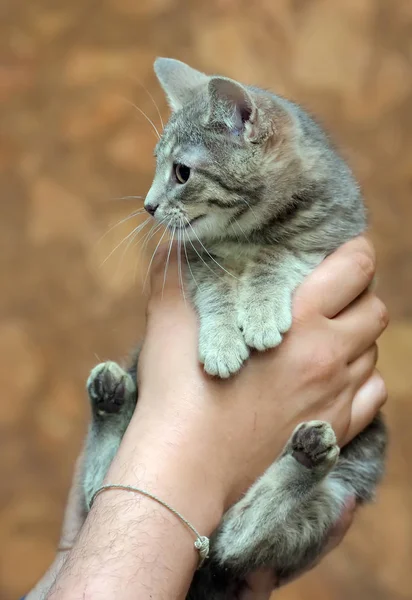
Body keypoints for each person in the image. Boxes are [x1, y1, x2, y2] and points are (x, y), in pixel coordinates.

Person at [26, 236, 388, 600]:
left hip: (137, 553)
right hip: (228, 541)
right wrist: (192, 454)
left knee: (103, 492)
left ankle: (113, 426)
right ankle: (287, 485)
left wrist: (71, 554)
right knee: (263, 534)